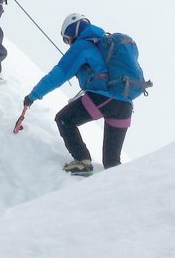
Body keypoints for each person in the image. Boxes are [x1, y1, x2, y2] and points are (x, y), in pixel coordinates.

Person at [22, 13, 135, 176]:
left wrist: (32, 96)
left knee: (64, 119)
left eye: (67, 38)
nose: (68, 43)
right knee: (112, 164)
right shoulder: (106, 44)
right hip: (125, 104)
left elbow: (58, 75)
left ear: (73, 30)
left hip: (104, 98)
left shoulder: (82, 46)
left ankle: (82, 161)